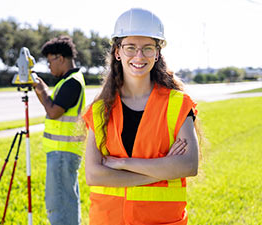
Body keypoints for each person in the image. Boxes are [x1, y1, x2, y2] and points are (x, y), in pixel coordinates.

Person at [82, 8, 199, 225]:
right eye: (130, 48)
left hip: (161, 220)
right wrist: (162, 171)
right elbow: (94, 175)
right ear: (118, 52)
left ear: (157, 53)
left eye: (147, 48)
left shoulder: (177, 103)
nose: (139, 56)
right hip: (107, 220)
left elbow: (188, 165)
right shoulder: (99, 110)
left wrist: (122, 163)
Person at [32, 35, 86, 225]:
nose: (49, 66)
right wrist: (43, 90)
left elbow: (54, 111)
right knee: (67, 202)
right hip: (63, 152)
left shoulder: (72, 83)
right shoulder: (69, 81)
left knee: (60, 205)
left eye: (49, 61)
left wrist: (40, 91)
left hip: (63, 153)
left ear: (60, 58)